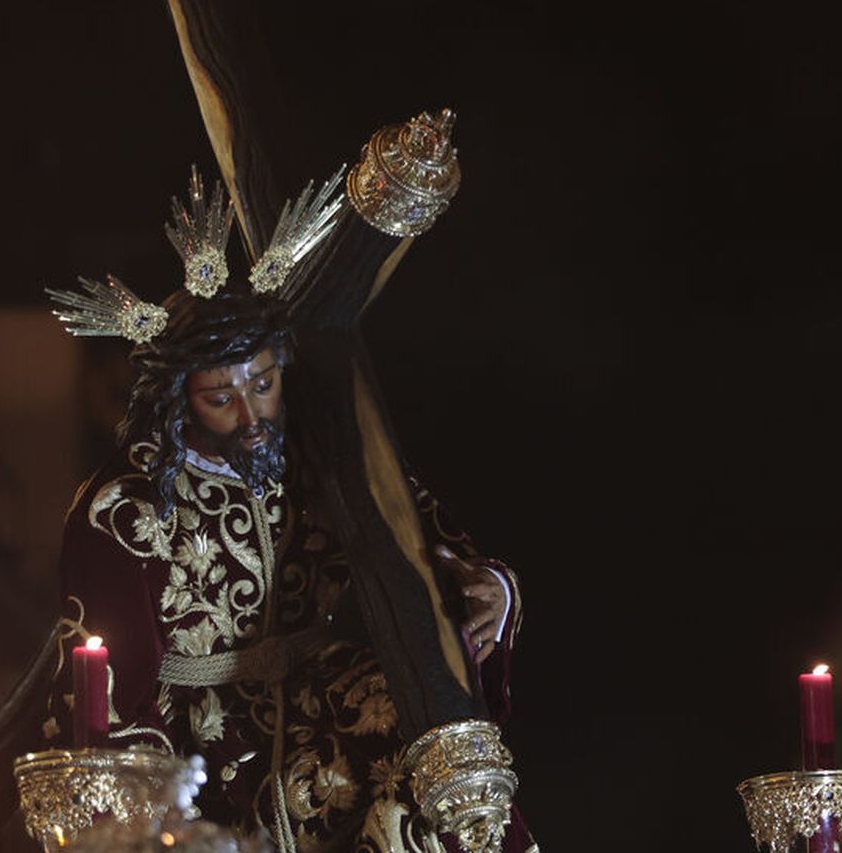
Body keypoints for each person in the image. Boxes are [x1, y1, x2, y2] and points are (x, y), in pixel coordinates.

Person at [44, 283, 528, 851]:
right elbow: (113, 696)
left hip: (323, 705)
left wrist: (490, 589)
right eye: (221, 399)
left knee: (439, 748)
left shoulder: (326, 452)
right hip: (204, 739)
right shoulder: (123, 509)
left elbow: (427, 539)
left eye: (264, 384)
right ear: (177, 396)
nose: (252, 416)